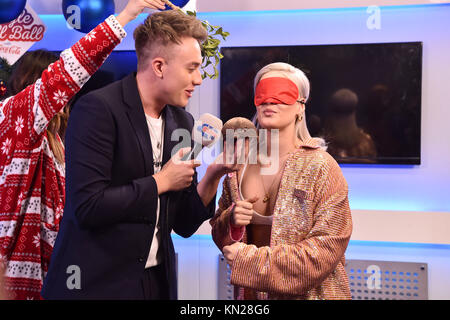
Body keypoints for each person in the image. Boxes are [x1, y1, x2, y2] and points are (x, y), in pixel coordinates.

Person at [41, 9, 227, 300]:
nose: (199, 79)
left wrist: (214, 174)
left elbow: (184, 224)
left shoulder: (182, 121)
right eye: (191, 68)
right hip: (95, 285)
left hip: (154, 282)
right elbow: (87, 207)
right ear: (159, 66)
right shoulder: (98, 110)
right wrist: (160, 182)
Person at [0, 0, 167, 300]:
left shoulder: (54, 141)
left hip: (56, 275)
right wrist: (125, 17)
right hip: (18, 283)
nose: (66, 100)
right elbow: (69, 70)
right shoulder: (16, 117)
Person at [210, 62, 353, 300]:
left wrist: (249, 260)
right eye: (262, 94)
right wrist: (231, 223)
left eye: (281, 93)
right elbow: (220, 233)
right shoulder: (238, 165)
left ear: (301, 106)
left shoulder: (321, 167)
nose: (269, 101)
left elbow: (324, 251)